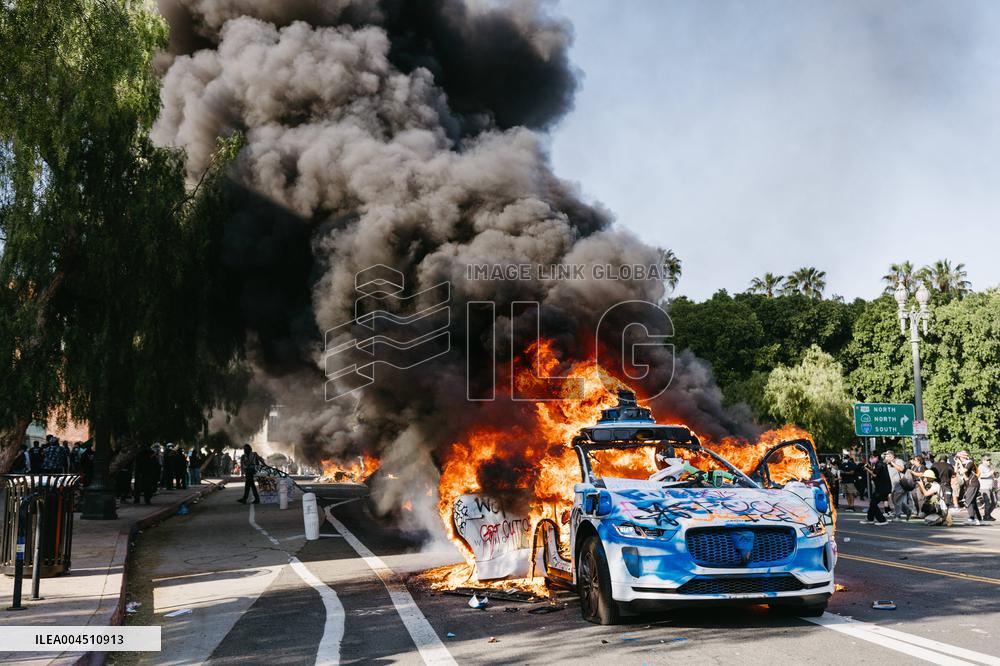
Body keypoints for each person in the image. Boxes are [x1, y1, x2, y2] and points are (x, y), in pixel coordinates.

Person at [861, 452, 891, 525]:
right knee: (872, 503)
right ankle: (870, 518)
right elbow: (876, 471)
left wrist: (867, 469)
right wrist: (869, 467)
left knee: (873, 503)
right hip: (883, 487)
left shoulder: (879, 464)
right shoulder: (880, 464)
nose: (871, 459)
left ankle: (882, 520)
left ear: (876, 457)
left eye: (872, 457)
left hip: (882, 488)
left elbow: (875, 474)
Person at [955, 451, 982, 525]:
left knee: (968, 500)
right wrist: (957, 463)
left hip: (973, 483)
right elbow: (955, 471)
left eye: (959, 457)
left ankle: (972, 518)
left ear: (963, 457)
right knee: (972, 502)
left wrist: (960, 463)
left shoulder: (970, 463)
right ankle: (978, 518)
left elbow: (964, 471)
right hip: (969, 485)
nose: (959, 458)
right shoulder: (963, 464)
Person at [887, 451, 915, 521]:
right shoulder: (888, 464)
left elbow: (902, 469)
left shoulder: (898, 461)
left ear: (892, 456)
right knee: (894, 500)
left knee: (897, 500)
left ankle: (898, 516)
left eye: (888, 456)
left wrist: (892, 463)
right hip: (893, 485)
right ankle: (907, 511)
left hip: (900, 484)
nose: (886, 457)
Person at [979, 455, 996, 521]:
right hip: (984, 487)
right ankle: (987, 516)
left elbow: (992, 476)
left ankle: (987, 515)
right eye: (987, 460)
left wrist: (994, 474)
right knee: (988, 502)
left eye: (989, 460)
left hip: (990, 487)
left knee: (994, 502)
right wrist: (990, 473)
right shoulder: (981, 467)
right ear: (983, 461)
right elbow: (981, 476)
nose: (989, 461)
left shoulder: (989, 467)